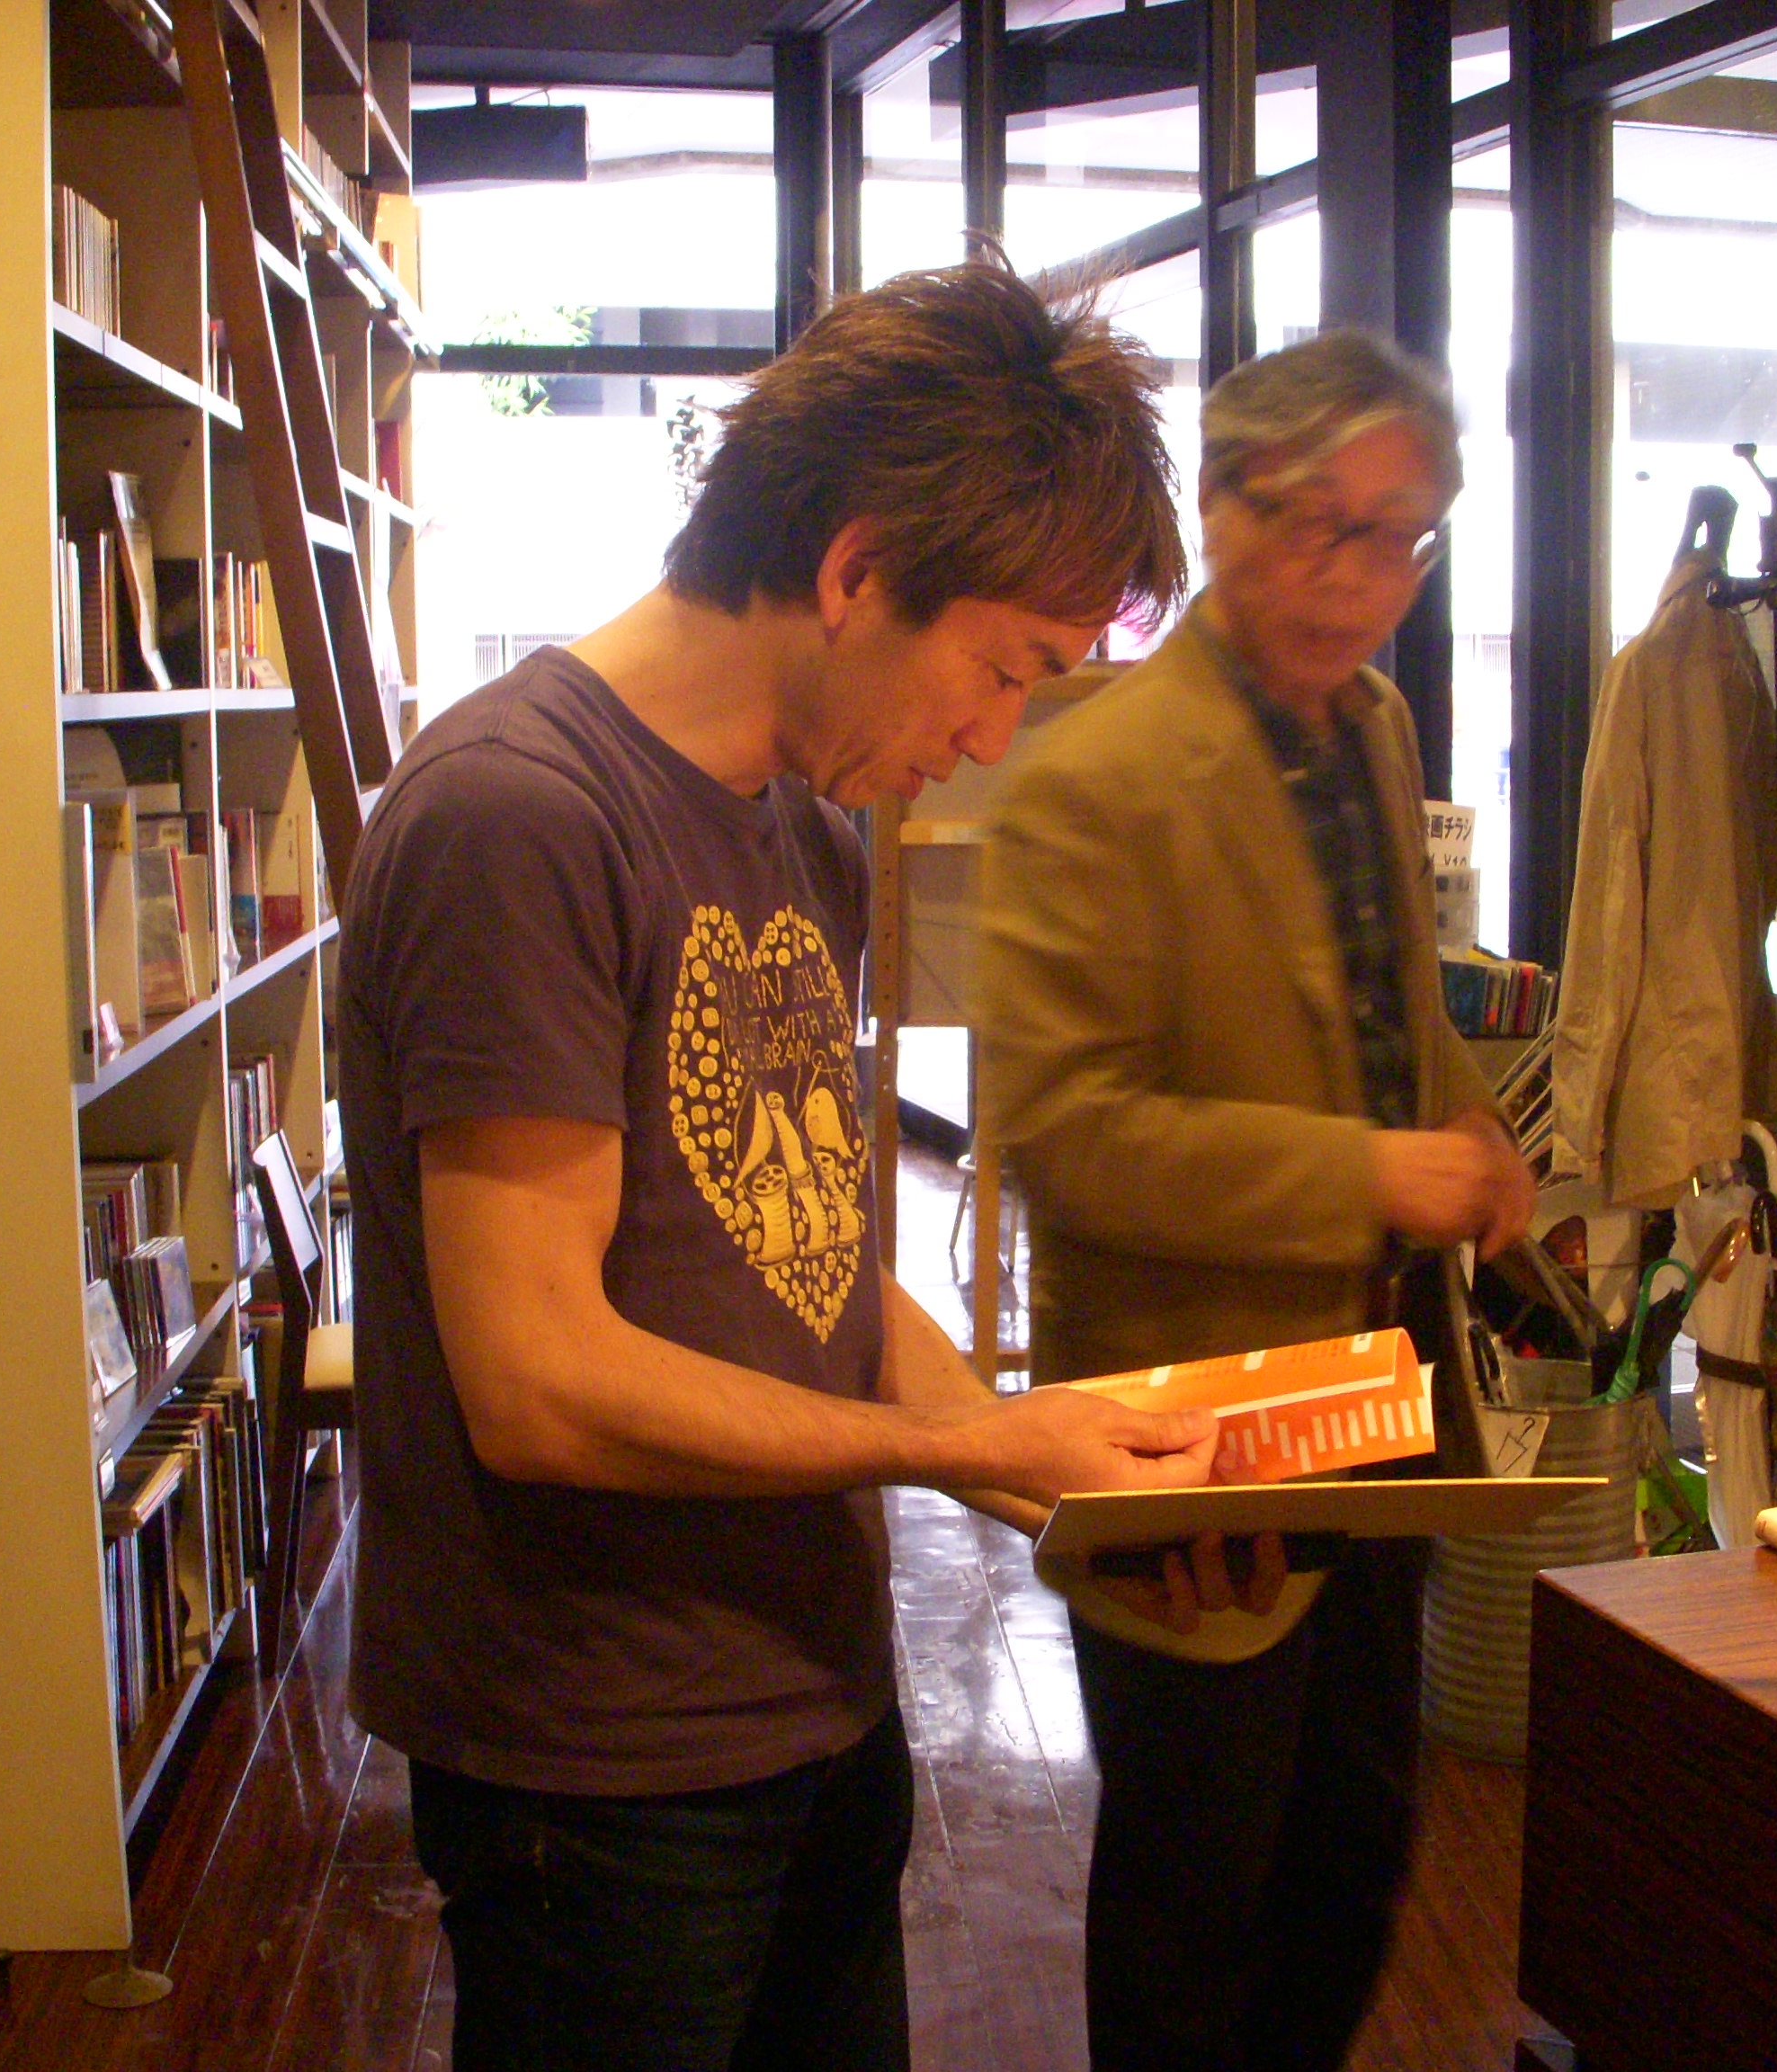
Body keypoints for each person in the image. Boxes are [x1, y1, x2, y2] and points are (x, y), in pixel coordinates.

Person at [337, 263, 1223, 2072]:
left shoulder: (805, 828)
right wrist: (962, 1452)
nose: (990, 738)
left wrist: (1063, 1484)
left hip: (810, 1703)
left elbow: (812, 1263)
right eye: (1004, 669)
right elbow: (536, 1381)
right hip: (601, 1762)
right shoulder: (519, 813)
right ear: (854, 571)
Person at [979, 331, 1536, 2072]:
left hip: (1384, 1393)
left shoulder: (1372, 724)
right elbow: (1064, 1132)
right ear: (1219, 506)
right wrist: (1371, 1172)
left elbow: (1392, 1007)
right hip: (1193, 1418)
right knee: (1193, 1890)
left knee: (1354, 1859)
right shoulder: (1089, 774)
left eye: (1398, 536)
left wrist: (1472, 1126)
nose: (1356, 577)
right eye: (1319, 522)